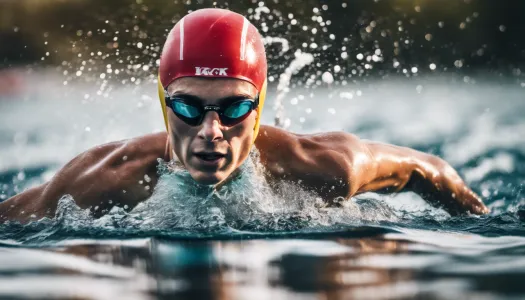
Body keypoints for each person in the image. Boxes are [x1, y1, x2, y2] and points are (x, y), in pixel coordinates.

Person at [0, 8, 488, 223]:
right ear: (163, 101)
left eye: (234, 108)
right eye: (188, 107)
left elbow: (430, 170)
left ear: (258, 108)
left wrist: (488, 228)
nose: (211, 132)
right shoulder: (104, 182)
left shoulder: (323, 167)